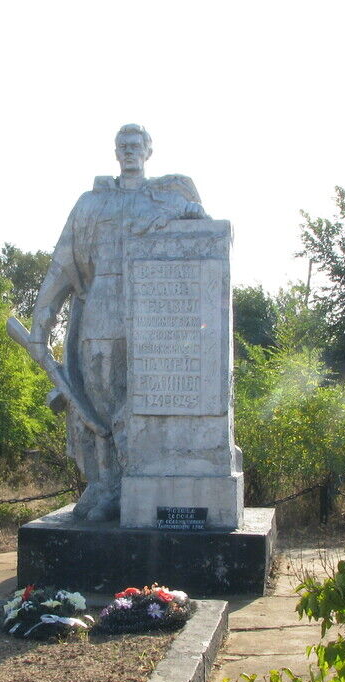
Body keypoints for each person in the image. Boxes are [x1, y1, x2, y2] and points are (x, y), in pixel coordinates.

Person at [23, 124, 209, 521]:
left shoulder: (164, 198)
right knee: (98, 395)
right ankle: (107, 483)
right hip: (103, 307)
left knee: (147, 397)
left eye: (135, 144)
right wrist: (42, 319)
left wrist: (189, 214)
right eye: (123, 145)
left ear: (148, 150)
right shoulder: (92, 204)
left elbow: (201, 240)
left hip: (156, 309)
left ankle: (142, 480)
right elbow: (63, 262)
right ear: (115, 151)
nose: (129, 151)